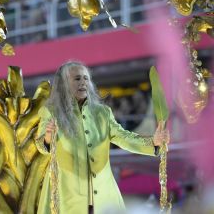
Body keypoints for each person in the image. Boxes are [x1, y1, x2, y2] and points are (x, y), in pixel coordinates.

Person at [34, 61, 169, 214]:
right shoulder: (51, 111)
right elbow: (40, 145)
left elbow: (123, 137)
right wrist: (48, 138)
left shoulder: (103, 113)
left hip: (104, 196)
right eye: (77, 78)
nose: (83, 82)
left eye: (86, 78)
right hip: (66, 197)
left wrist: (153, 142)